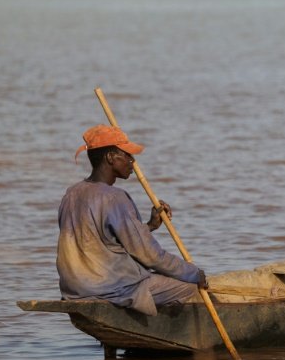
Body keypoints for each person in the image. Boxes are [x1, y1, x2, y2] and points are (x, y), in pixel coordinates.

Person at [57, 124, 207, 316]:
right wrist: (194, 273)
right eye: (127, 155)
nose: (133, 162)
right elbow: (150, 256)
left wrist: (150, 226)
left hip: (76, 288)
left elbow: (102, 240)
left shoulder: (72, 193)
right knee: (189, 287)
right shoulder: (115, 197)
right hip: (111, 288)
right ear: (111, 158)